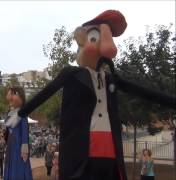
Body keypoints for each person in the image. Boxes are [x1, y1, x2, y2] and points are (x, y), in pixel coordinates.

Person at [9, 10, 176, 180]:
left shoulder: (110, 79)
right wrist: (21, 113)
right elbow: (47, 92)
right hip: (82, 149)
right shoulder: (72, 74)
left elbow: (142, 91)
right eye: (95, 38)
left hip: (110, 148)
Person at [4, 87, 33, 180]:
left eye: (13, 94)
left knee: (19, 165)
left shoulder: (22, 112)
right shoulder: (10, 113)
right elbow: (8, 129)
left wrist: (24, 146)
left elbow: (25, 131)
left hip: (18, 145)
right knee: (11, 163)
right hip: (11, 144)